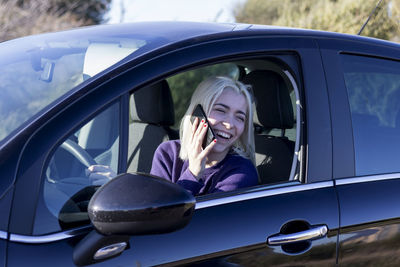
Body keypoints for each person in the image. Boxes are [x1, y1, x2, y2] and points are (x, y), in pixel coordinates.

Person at [150, 76, 258, 196]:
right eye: (221, 110)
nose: (229, 125)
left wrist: (193, 174)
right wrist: (193, 172)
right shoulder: (168, 153)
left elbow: (184, 214)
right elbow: (157, 213)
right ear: (197, 114)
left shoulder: (242, 172)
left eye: (240, 117)